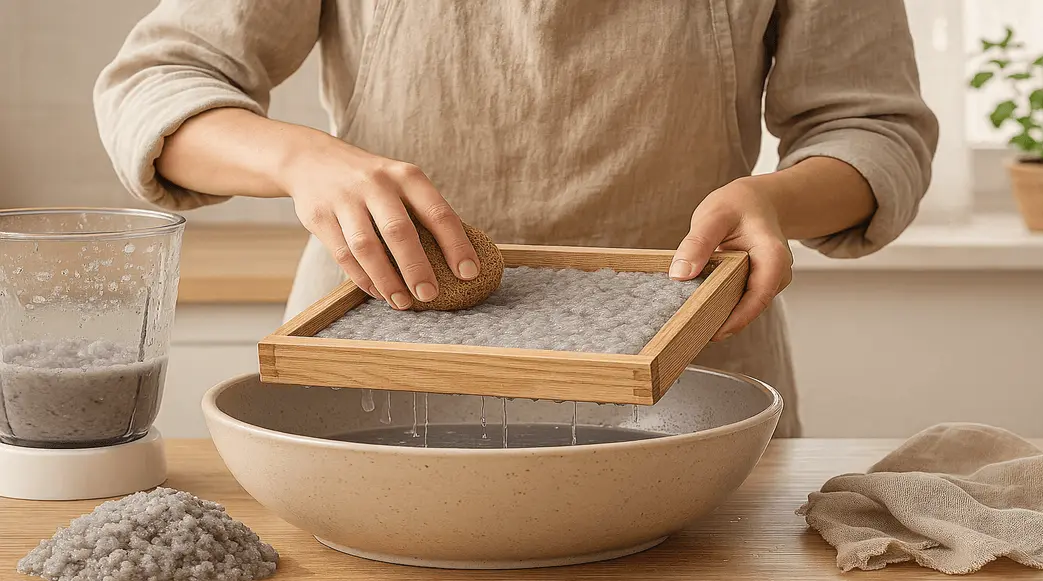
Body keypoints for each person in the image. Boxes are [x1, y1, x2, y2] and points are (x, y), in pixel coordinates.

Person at [95, 0, 937, 438]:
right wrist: (296, 157)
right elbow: (156, 85)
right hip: (373, 359)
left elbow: (874, 127)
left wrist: (775, 200)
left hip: (688, 375)